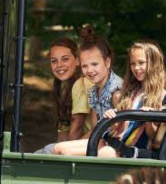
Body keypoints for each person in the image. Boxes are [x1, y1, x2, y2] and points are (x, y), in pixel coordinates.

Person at [53, 27, 123, 156]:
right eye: (85, 66)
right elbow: (95, 129)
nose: (90, 70)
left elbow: (123, 131)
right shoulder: (94, 91)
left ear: (107, 62)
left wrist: (76, 147)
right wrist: (77, 144)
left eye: (94, 64)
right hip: (101, 140)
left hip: (116, 146)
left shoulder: (116, 92)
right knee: (58, 148)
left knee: (64, 152)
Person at [99, 41, 166, 158]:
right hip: (112, 142)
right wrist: (112, 115)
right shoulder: (132, 91)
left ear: (154, 63)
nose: (136, 68)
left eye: (141, 63)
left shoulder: (162, 96)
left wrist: (149, 117)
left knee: (67, 153)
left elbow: (154, 137)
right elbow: (118, 128)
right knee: (60, 148)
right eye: (133, 64)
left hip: (128, 151)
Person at [35, 38, 93, 154]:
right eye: (54, 61)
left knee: (43, 153)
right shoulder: (63, 89)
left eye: (65, 59)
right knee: (42, 153)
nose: (59, 65)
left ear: (77, 60)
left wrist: (64, 156)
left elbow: (76, 128)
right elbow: (62, 134)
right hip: (81, 143)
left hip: (92, 142)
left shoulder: (82, 83)